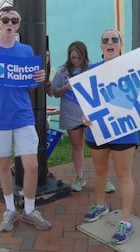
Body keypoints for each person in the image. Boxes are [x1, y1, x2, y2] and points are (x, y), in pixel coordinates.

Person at [0, 6, 51, 232]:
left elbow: (31, 83)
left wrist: (40, 77)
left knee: (32, 165)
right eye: (5, 19)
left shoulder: (26, 51)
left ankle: (29, 210)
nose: (9, 23)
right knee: (4, 164)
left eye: (14, 20)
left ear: (18, 25)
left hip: (23, 115)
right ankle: (10, 209)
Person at [82, 28, 137, 245]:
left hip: (124, 130)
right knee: (99, 170)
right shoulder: (91, 71)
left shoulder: (133, 67)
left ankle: (125, 221)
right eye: (106, 40)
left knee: (124, 175)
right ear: (101, 46)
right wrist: (84, 115)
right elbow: (84, 100)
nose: (110, 42)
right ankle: (100, 204)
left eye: (115, 39)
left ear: (121, 44)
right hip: (98, 129)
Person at [51, 41, 89, 192]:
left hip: (88, 114)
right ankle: (80, 177)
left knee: (96, 147)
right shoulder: (62, 71)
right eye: (73, 57)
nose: (75, 61)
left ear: (84, 56)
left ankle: (103, 178)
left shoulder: (90, 68)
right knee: (77, 146)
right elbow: (54, 93)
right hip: (70, 114)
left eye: (78, 58)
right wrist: (66, 87)